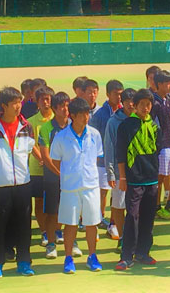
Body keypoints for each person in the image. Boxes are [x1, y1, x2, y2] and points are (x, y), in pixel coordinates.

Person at [0, 87, 35, 278]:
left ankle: (24, 262)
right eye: (14, 103)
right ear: (3, 106)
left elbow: (28, 151)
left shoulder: (27, 127)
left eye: (19, 102)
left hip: (23, 185)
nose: (18, 106)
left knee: (23, 226)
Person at [50, 97, 104, 274]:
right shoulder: (60, 137)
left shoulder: (95, 134)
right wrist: (70, 175)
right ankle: (68, 258)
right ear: (72, 115)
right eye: (82, 114)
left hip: (91, 186)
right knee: (70, 224)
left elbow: (95, 157)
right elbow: (56, 162)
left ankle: (92, 256)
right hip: (70, 188)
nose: (86, 117)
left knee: (91, 223)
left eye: (87, 113)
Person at [114, 89, 161, 270]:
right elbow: (120, 154)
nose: (146, 108)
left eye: (148, 105)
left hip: (151, 180)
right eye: (142, 105)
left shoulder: (155, 126)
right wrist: (123, 177)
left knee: (148, 217)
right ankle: (126, 255)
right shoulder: (126, 126)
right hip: (133, 181)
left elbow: (157, 150)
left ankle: (143, 252)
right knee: (132, 216)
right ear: (135, 105)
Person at [39, 92, 72, 259]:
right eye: (61, 107)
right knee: (52, 213)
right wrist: (59, 173)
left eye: (67, 106)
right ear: (55, 109)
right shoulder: (46, 128)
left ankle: (71, 242)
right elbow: (45, 156)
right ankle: (51, 245)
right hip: (53, 179)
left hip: (72, 179)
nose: (65, 110)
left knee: (71, 212)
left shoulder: (74, 125)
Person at [89, 79, 124, 238]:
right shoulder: (100, 114)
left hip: (120, 164)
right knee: (101, 194)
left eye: (121, 94)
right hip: (102, 162)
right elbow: (93, 137)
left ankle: (113, 224)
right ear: (108, 94)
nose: (119, 97)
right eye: (116, 94)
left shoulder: (125, 112)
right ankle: (96, 222)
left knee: (117, 196)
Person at [104, 88, 136, 253]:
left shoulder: (143, 119)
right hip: (118, 172)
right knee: (118, 205)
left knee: (136, 206)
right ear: (121, 103)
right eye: (127, 101)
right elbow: (109, 148)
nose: (131, 104)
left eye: (133, 101)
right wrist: (110, 172)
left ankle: (135, 238)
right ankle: (122, 238)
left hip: (138, 173)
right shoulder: (113, 122)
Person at [150, 71, 170, 220]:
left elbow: (169, 118)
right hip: (161, 147)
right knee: (160, 178)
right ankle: (156, 207)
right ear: (160, 84)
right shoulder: (153, 103)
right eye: (167, 83)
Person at [27, 86, 55, 247]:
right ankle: (44, 231)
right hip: (37, 169)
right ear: (37, 102)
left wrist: (52, 162)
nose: (46, 102)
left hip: (55, 169)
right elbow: (31, 144)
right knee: (39, 201)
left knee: (55, 200)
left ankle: (56, 231)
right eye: (43, 99)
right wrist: (43, 159)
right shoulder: (31, 122)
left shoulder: (57, 120)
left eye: (48, 99)